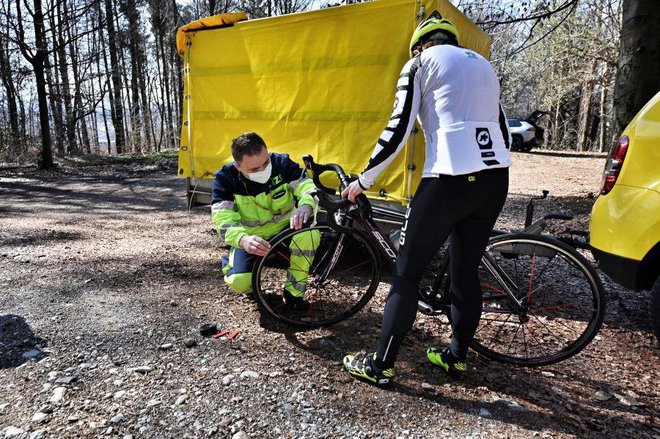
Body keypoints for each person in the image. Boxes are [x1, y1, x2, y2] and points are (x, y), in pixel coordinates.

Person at [341, 12, 512, 385]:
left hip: (449, 177)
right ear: (452, 40)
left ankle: (380, 366)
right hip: (495, 177)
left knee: (406, 273)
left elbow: (398, 127)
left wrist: (364, 180)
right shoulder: (483, 65)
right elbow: (504, 132)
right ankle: (455, 357)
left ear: (419, 44)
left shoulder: (419, 63)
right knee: (465, 271)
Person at [211, 132, 319, 310]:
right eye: (254, 170)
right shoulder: (225, 179)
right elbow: (223, 220)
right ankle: (232, 262)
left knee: (310, 234)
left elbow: (307, 186)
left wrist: (306, 205)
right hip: (250, 240)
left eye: (266, 163)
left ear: (268, 154)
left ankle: (294, 295)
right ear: (238, 167)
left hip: (285, 232)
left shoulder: (282, 163)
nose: (263, 171)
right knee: (239, 282)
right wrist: (242, 240)